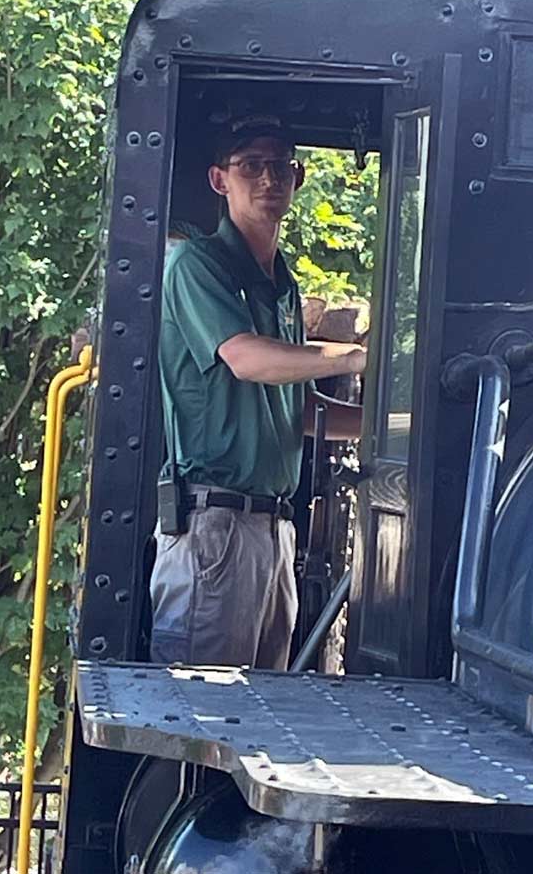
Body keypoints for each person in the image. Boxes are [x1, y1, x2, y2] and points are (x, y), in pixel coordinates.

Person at [150, 114, 366, 670]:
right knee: (202, 710)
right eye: (250, 166)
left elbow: (299, 410)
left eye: (280, 167)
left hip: (274, 530)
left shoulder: (283, 285)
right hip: (214, 527)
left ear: (298, 178)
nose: (268, 178)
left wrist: (397, 425)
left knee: (263, 712)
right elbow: (247, 359)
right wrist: (358, 356)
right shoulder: (196, 264)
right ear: (219, 180)